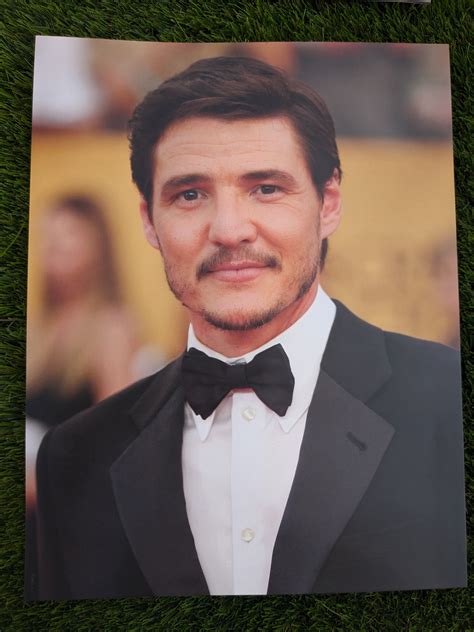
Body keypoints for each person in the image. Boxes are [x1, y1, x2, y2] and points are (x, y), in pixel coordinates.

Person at [34, 56, 466, 600]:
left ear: (328, 204)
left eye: (265, 188)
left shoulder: (450, 399)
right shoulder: (75, 458)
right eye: (190, 194)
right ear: (149, 221)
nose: (230, 229)